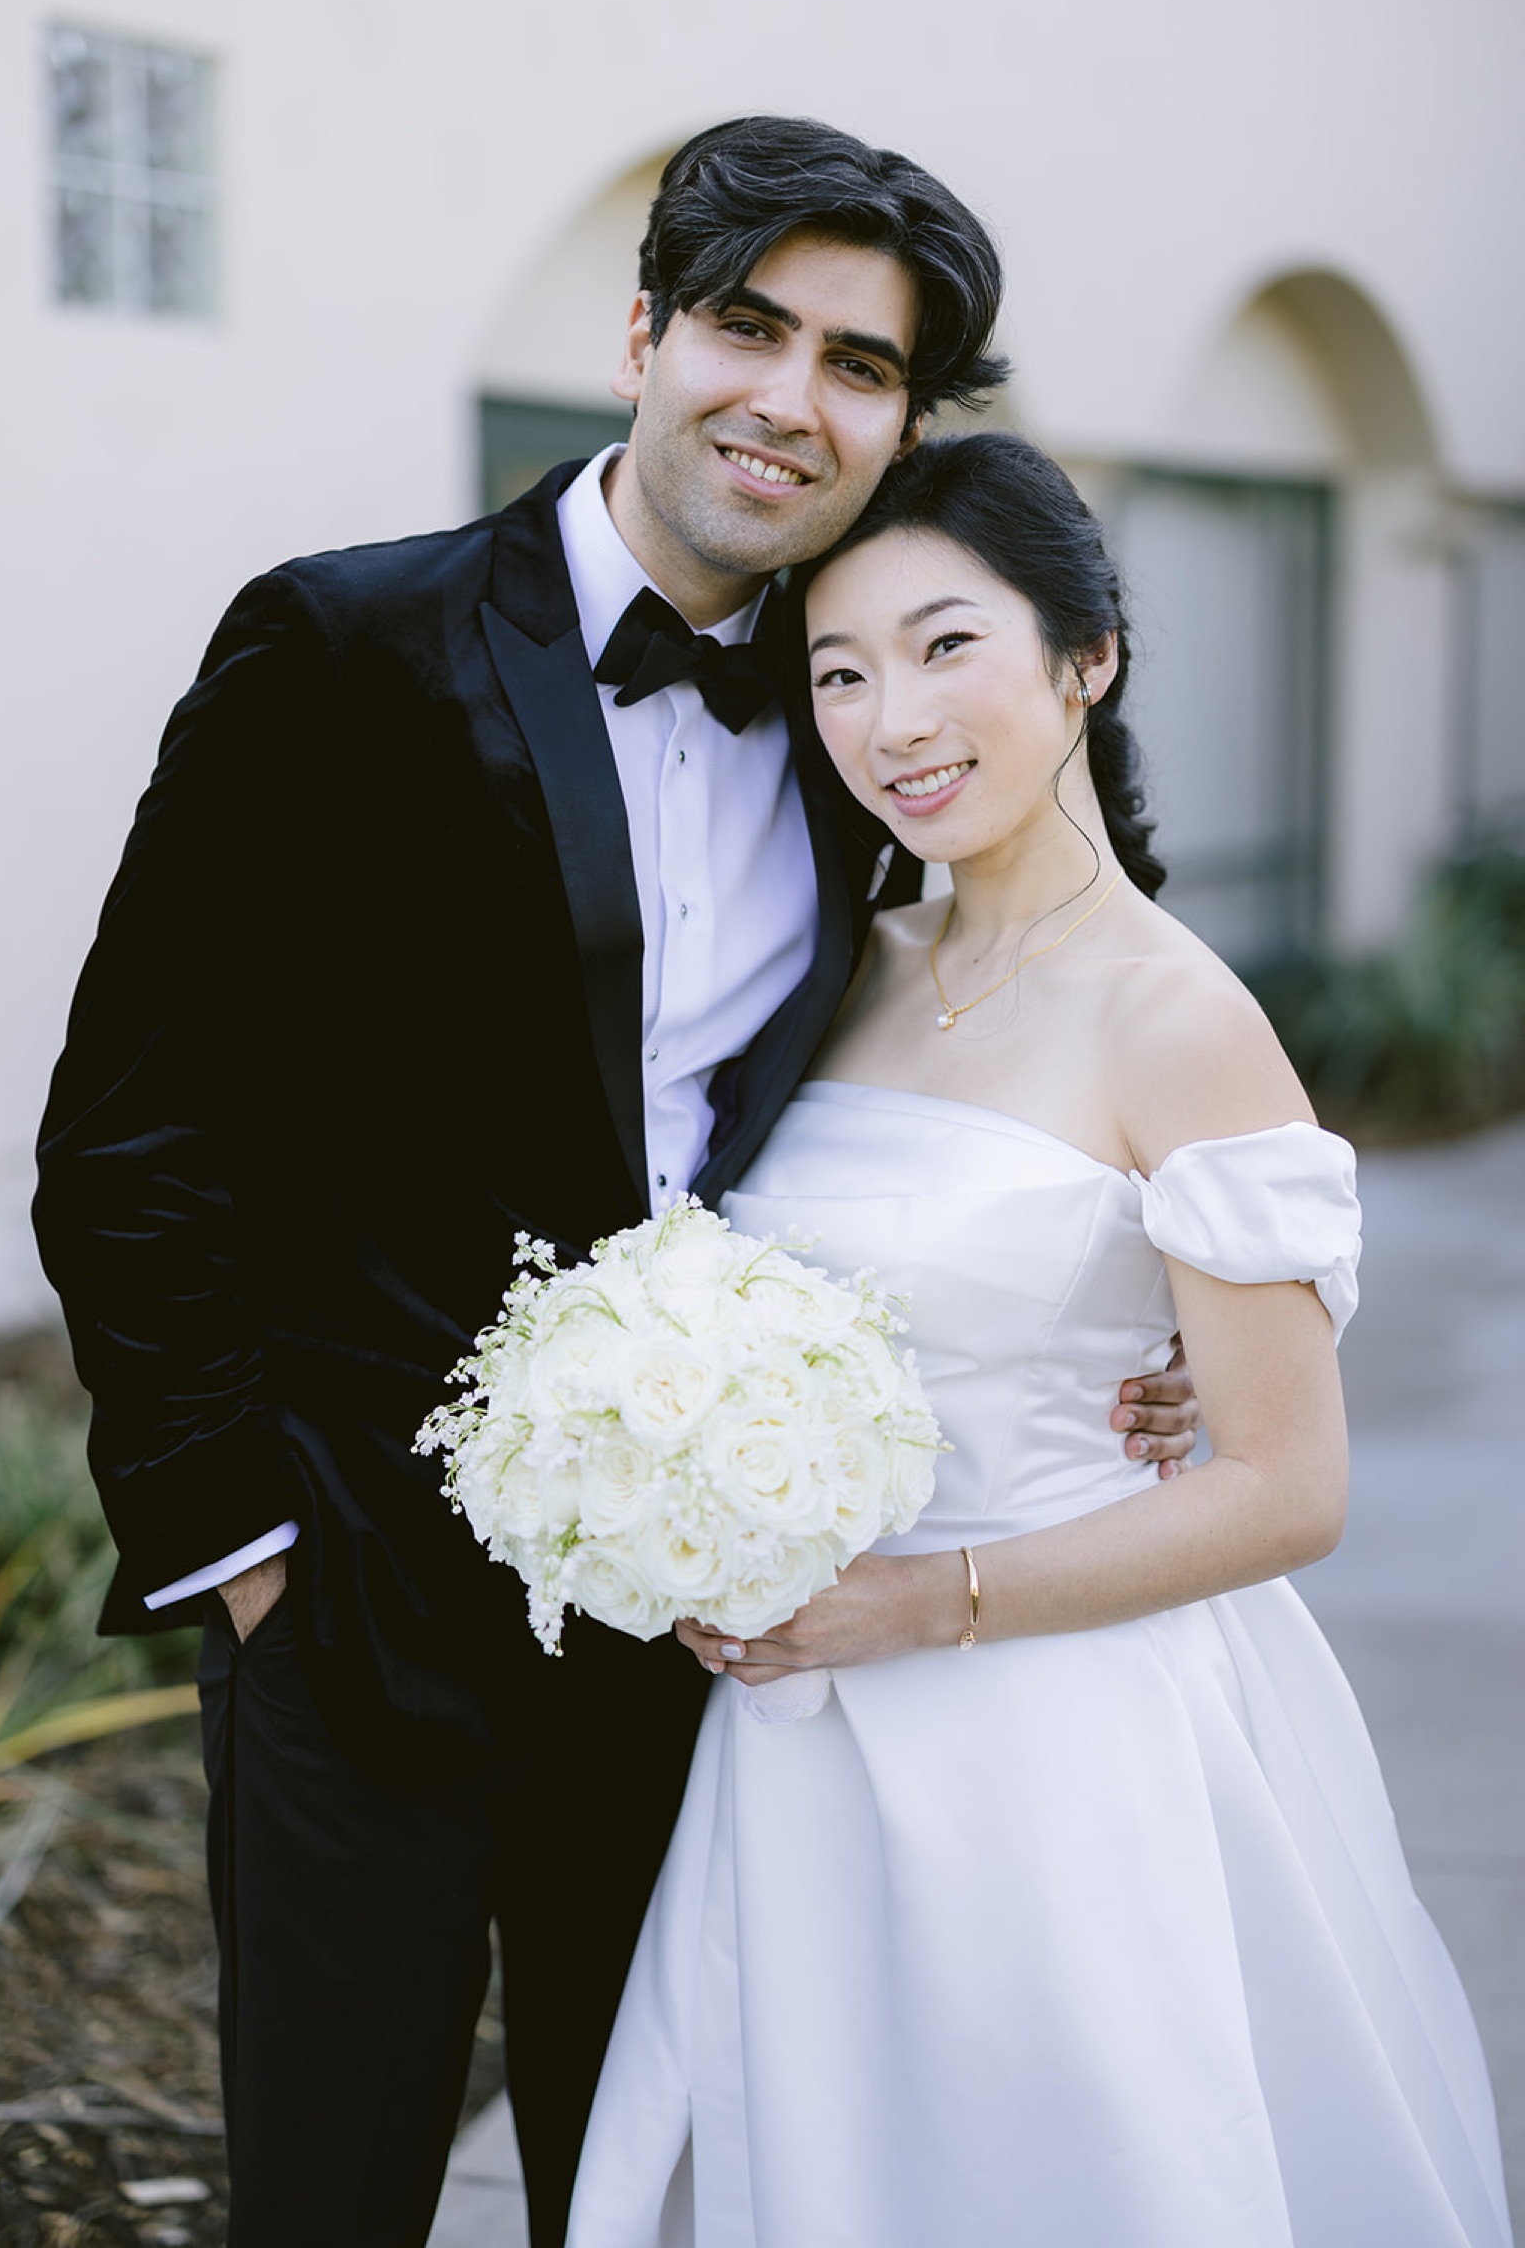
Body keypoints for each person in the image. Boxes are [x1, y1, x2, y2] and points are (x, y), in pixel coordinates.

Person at [31, 122, 1202, 2248]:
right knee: (336, 2190)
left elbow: (995, 1090)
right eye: (747, 327)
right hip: (355, 1593)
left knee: (660, 2179)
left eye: (858, 367)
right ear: (645, 332)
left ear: (900, 425)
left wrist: (1135, 1349)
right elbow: (130, 1129)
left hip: (708, 1639)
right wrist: (241, 1550)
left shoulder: (868, 737)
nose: (790, 397)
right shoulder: (340, 645)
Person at [566, 431, 1513, 2248]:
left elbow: (1289, 1487)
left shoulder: (1181, 1018)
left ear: (1088, 657)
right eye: (836, 671)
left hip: (1059, 1726)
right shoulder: (844, 961)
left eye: (944, 648)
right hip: (799, 1726)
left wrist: (922, 1604)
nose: (886, 716)